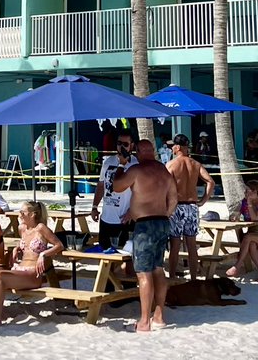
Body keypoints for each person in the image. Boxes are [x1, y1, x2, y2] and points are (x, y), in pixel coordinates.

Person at [113, 139, 176, 333]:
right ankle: (159, 316)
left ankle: (144, 321)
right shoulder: (164, 172)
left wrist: (121, 166)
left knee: (143, 273)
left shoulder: (137, 170)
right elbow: (173, 199)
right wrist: (165, 214)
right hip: (162, 222)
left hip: (145, 225)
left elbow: (117, 186)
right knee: (158, 268)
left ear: (138, 151)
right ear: (154, 151)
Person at [0, 199, 62, 330]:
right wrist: (17, 249)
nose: (19, 215)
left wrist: (44, 254)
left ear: (32, 214)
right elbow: (26, 246)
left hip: (33, 273)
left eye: (22, 212)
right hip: (20, 269)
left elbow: (59, 245)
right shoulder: (22, 229)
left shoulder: (41, 228)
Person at [165, 132, 214, 279]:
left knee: (175, 246)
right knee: (192, 246)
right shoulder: (195, 164)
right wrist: (203, 200)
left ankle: (172, 277)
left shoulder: (171, 165)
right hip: (192, 207)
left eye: (173, 145)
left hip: (177, 206)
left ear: (178, 147)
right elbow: (210, 181)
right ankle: (193, 279)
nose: (171, 148)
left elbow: (164, 186)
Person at [90, 129, 136, 252]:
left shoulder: (135, 164)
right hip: (106, 218)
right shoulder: (108, 161)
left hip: (124, 219)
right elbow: (101, 185)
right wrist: (94, 206)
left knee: (125, 256)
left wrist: (132, 211)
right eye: (119, 143)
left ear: (132, 145)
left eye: (125, 144)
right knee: (105, 255)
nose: (121, 147)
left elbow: (141, 192)